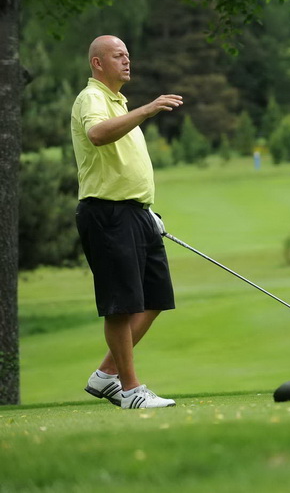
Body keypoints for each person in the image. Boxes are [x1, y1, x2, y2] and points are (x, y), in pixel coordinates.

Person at [71, 35, 184, 408]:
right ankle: (131, 390)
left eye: (128, 55)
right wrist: (147, 110)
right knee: (121, 305)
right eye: (118, 55)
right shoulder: (92, 98)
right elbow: (97, 134)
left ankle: (106, 375)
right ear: (98, 63)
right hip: (107, 213)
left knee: (155, 297)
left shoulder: (119, 103)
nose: (127, 60)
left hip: (136, 213)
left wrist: (145, 209)